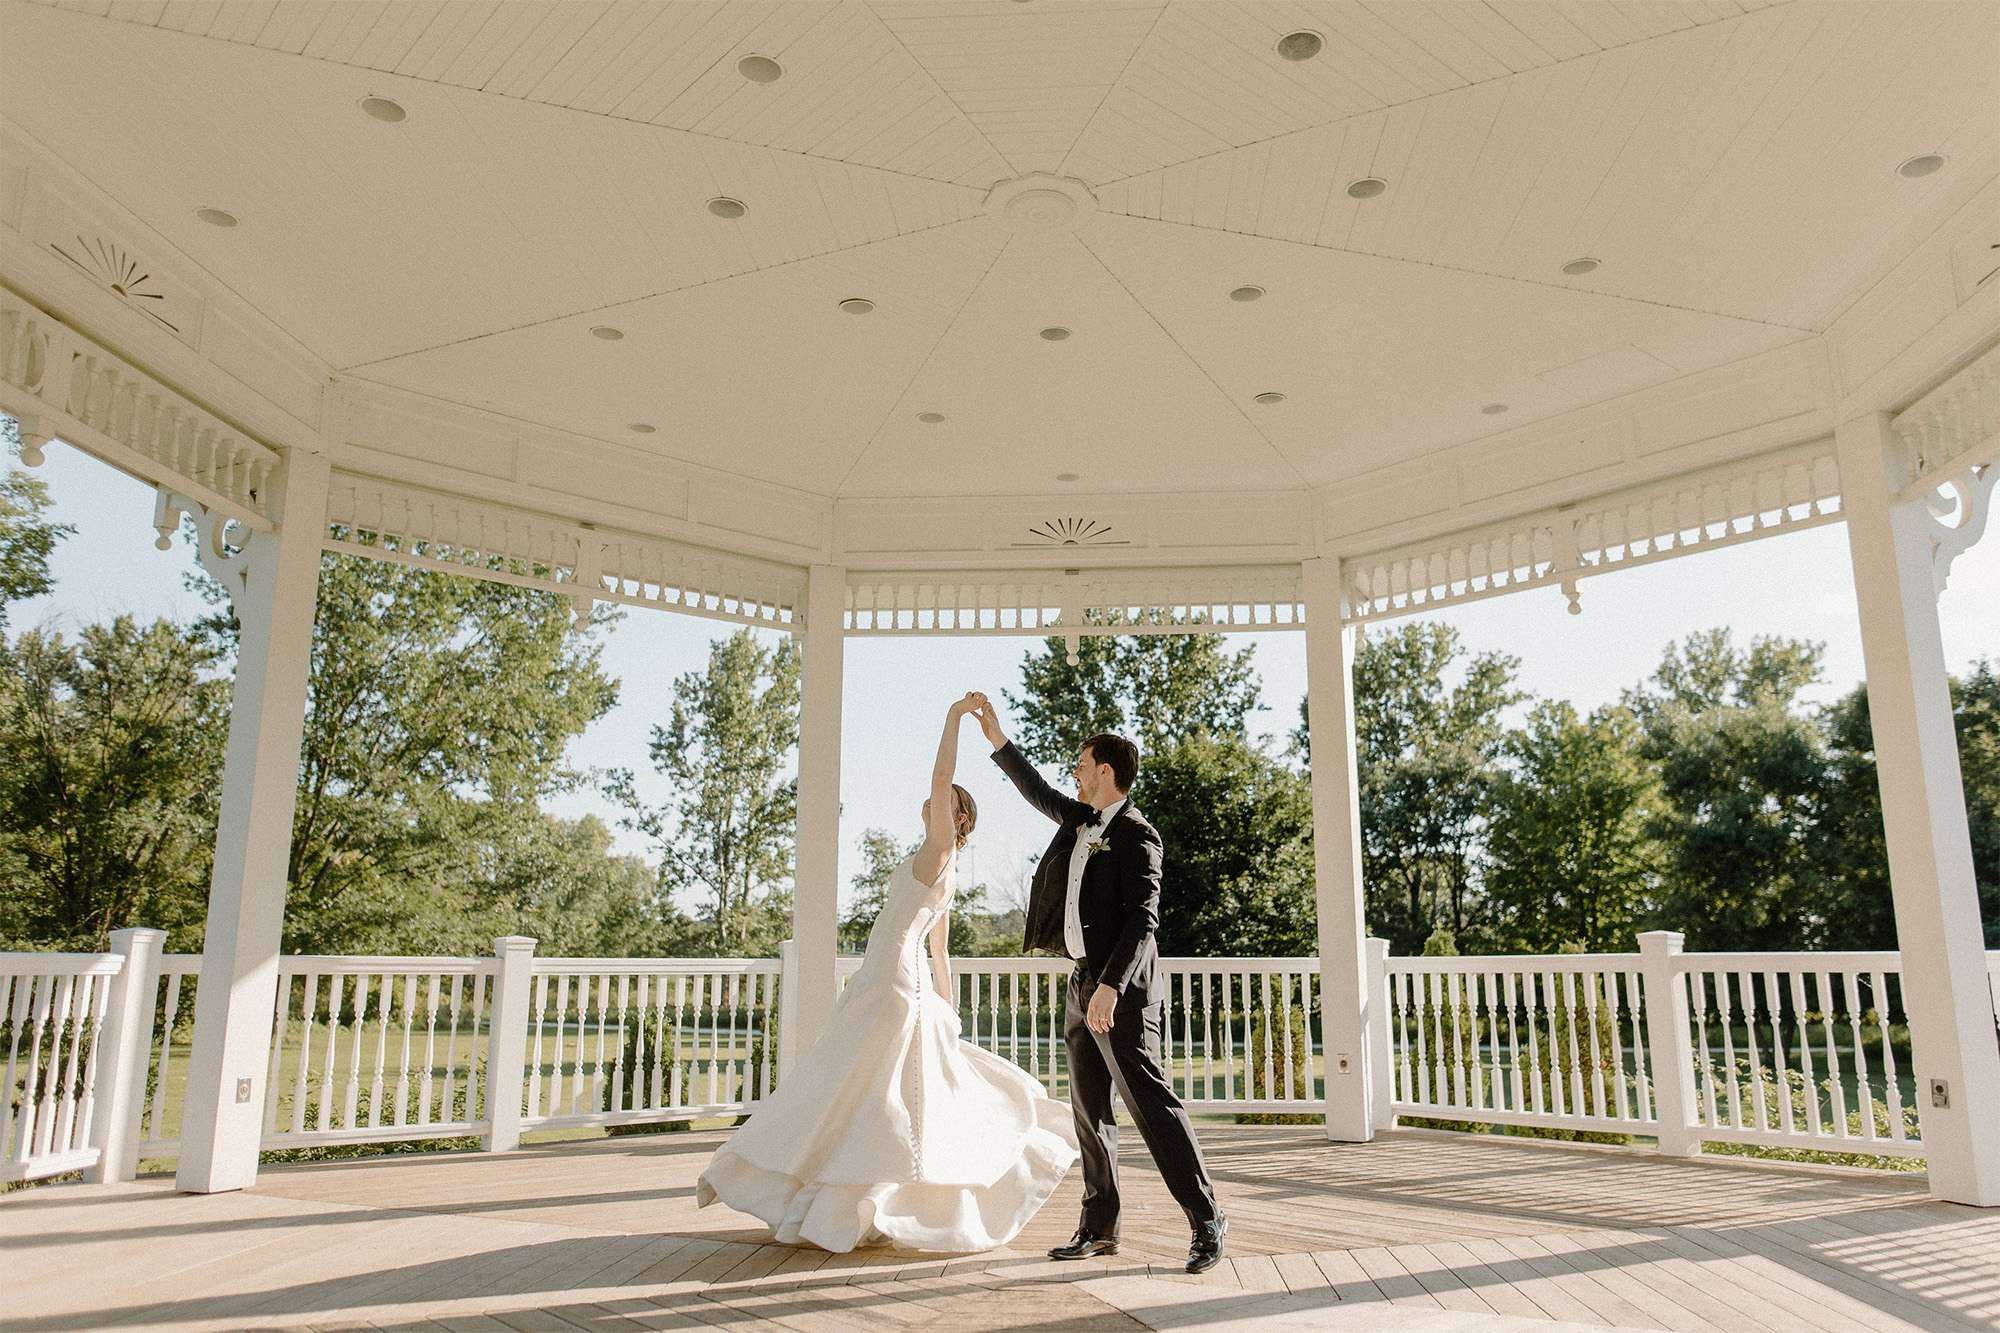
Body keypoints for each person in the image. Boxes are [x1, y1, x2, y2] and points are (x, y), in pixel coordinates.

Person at [696, 694, 1076, 1252]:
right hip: (895, 981)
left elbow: (942, 770)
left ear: (957, 816)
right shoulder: (939, 865)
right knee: (865, 1094)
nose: (928, 802)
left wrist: (951, 719)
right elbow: (939, 952)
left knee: (850, 1089)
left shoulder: (941, 848)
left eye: (940, 801)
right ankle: (850, 1206)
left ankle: (838, 1200)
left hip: (891, 983)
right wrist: (948, 1009)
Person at [970, 692, 1227, 1275]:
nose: (1075, 776)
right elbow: (1035, 790)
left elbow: (1144, 918)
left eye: (1081, 767)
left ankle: (1206, 1218)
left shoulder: (1138, 835)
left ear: (1104, 772)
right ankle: (1099, 1225)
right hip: (1081, 983)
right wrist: (997, 739)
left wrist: (1111, 986)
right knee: (1089, 1110)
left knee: (1151, 1106)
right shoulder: (1084, 820)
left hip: (1123, 992)